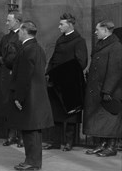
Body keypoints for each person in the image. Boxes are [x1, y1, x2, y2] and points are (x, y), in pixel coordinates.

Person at [10, 21, 54, 171]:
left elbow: (24, 77)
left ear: (25, 31)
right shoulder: (36, 48)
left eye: (20, 31)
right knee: (32, 130)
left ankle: (32, 162)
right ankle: (31, 160)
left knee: (30, 131)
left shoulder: (27, 49)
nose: (18, 34)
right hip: (35, 96)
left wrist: (18, 97)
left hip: (30, 97)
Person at [44, 12, 88, 151]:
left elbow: (81, 62)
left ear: (69, 25)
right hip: (56, 82)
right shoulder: (60, 39)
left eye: (61, 24)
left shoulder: (78, 41)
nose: (59, 26)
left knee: (71, 115)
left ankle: (69, 143)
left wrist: (62, 73)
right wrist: (48, 72)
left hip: (70, 83)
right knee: (56, 114)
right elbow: (54, 58)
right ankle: (56, 142)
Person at [83, 20, 122, 157]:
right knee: (100, 120)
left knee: (110, 119)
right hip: (98, 89)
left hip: (108, 91)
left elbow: (115, 71)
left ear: (105, 30)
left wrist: (107, 91)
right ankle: (102, 145)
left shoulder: (115, 46)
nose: (95, 32)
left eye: (97, 30)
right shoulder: (102, 44)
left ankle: (112, 147)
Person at [0, 11, 24, 147]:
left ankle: (21, 137)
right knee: (8, 106)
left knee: (19, 106)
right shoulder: (5, 38)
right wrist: (1, 59)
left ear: (17, 21)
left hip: (17, 76)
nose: (6, 23)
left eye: (9, 21)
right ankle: (11, 135)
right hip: (5, 76)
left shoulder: (22, 36)